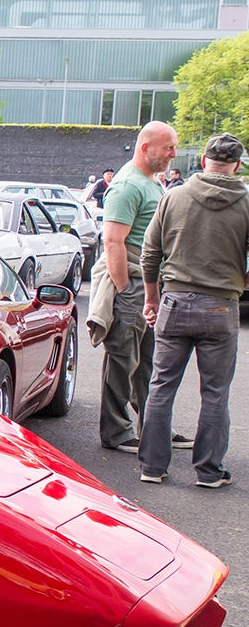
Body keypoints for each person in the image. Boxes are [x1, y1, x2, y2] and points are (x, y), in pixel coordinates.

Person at [138, 134, 249, 487]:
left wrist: (151, 299)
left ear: (203, 160)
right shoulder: (245, 201)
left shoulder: (174, 196)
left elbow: (150, 254)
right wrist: (240, 282)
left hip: (175, 301)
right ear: (238, 165)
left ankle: (152, 468)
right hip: (221, 304)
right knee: (215, 392)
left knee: (161, 386)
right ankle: (208, 471)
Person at [93, 122, 183, 454]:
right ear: (146, 147)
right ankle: (116, 431)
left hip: (148, 286)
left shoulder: (149, 183)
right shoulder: (127, 185)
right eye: (168, 147)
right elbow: (113, 241)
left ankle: (154, 425)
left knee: (148, 362)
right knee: (122, 359)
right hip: (132, 285)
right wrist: (124, 287)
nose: (174, 153)